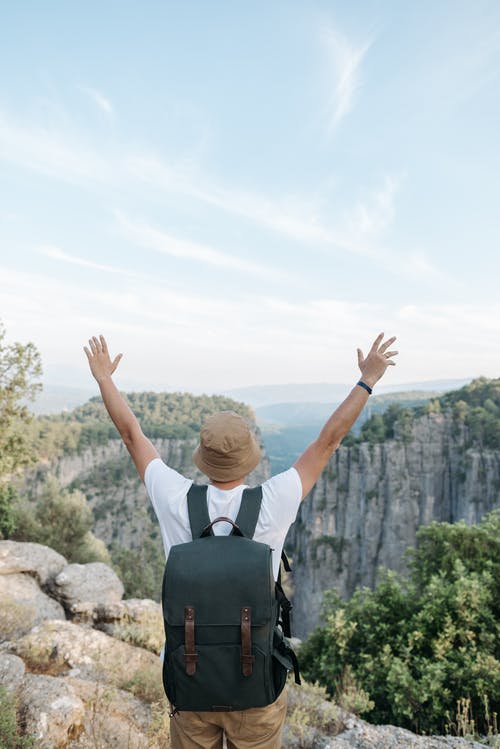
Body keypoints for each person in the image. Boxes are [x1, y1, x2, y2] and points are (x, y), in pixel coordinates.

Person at [84, 331, 398, 749]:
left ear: (203, 456)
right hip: (257, 689)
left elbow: (131, 435)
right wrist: (367, 380)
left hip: (190, 684)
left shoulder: (174, 497)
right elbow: (328, 442)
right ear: (250, 457)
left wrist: (104, 378)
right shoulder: (274, 500)